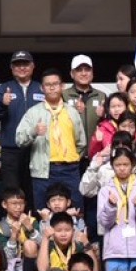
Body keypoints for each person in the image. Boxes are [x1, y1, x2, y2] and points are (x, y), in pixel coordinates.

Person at [17, 71, 86, 215]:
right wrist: (34, 131)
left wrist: (72, 159)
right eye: (48, 85)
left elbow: (81, 143)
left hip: (70, 169)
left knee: (76, 211)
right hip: (44, 170)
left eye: (55, 84)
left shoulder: (72, 112)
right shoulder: (33, 112)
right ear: (42, 88)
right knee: (43, 212)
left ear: (62, 86)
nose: (52, 87)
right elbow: (19, 139)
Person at [0, 51, 43, 200]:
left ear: (33, 66)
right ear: (12, 68)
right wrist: (2, 103)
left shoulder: (41, 88)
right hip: (10, 149)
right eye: (17, 65)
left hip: (36, 148)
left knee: (34, 189)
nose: (22, 68)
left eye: (25, 64)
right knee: (11, 191)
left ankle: (33, 215)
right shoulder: (3, 89)